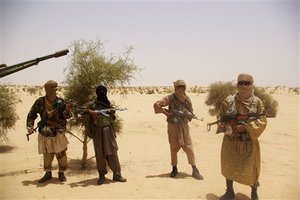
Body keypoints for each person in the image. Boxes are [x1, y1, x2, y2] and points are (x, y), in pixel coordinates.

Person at [217, 74, 267, 200]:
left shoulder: (257, 102)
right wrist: (224, 124)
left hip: (249, 142)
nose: (244, 86)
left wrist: (246, 127)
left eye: (247, 83)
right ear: (237, 85)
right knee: (228, 165)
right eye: (241, 83)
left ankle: (254, 193)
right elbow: (221, 116)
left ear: (251, 85)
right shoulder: (228, 101)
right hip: (230, 142)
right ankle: (229, 191)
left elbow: (263, 120)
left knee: (252, 168)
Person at [153, 80, 203, 180]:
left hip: (184, 126)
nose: (181, 89)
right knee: (173, 147)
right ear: (175, 88)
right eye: (179, 87)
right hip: (173, 126)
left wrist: (188, 115)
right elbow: (157, 104)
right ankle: (174, 168)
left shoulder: (187, 99)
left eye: (183, 87)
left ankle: (194, 169)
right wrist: (166, 112)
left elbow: (191, 112)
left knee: (189, 147)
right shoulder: (170, 98)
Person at [76, 85, 126, 185]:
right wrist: (90, 112)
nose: (102, 93)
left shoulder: (107, 103)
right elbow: (78, 110)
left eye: (103, 91)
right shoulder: (93, 104)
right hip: (97, 131)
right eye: (100, 91)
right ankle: (102, 175)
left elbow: (113, 118)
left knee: (112, 152)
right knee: (100, 153)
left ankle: (117, 174)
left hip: (109, 130)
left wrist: (112, 112)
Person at [26, 80, 72, 183]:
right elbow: (31, 115)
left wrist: (68, 110)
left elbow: (67, 116)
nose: (54, 91)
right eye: (52, 88)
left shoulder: (61, 102)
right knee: (47, 154)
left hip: (58, 132)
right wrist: (30, 127)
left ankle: (61, 173)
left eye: (55, 88)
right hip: (45, 132)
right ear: (46, 89)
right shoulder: (40, 102)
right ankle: (48, 173)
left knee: (61, 154)